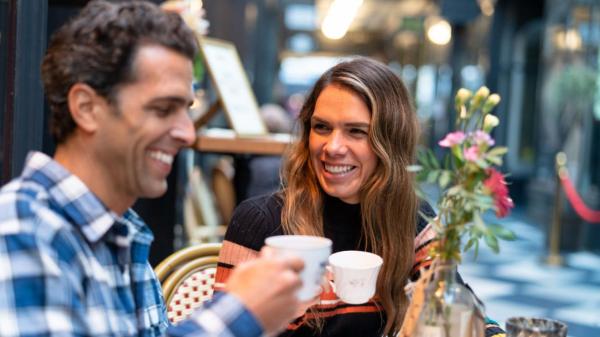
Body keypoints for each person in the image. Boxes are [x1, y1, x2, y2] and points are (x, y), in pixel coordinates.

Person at [0, 1, 304, 337]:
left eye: (185, 110)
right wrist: (240, 313)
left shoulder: (120, 233)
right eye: (163, 109)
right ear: (86, 108)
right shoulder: (21, 230)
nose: (187, 133)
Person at [215, 57, 505, 337]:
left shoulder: (411, 219)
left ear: (389, 142)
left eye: (356, 131)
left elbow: (452, 300)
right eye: (322, 127)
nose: (333, 147)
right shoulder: (260, 222)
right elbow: (224, 329)